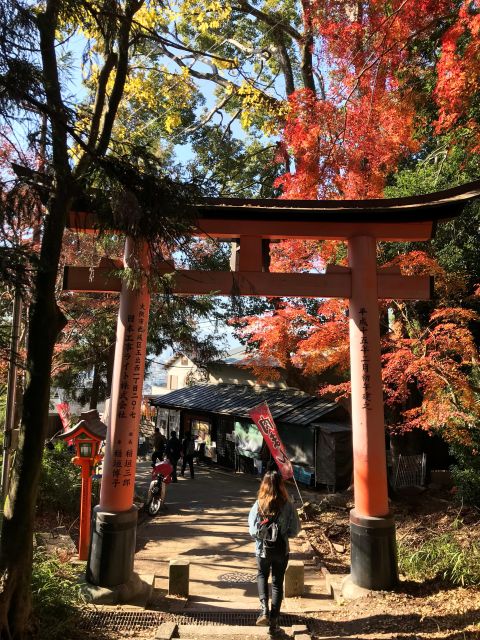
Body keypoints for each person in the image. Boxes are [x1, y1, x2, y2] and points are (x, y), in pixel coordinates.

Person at [248, 467, 301, 634]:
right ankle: (275, 620)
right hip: (281, 549)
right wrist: (283, 533)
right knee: (277, 583)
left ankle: (263, 610)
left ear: (264, 485)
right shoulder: (288, 505)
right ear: (281, 485)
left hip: (262, 549)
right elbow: (295, 530)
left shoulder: (259, 505)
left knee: (262, 575)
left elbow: (252, 531)